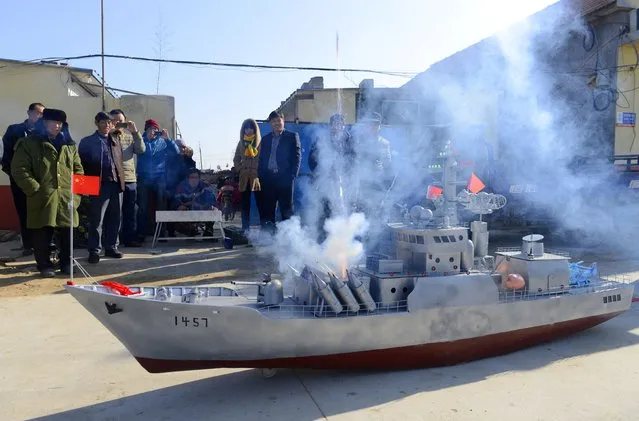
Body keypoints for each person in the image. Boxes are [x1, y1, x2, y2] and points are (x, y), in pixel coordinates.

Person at [10, 108, 83, 277]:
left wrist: (77, 194)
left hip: (67, 197)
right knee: (41, 233)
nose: (57, 126)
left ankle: (66, 263)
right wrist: (35, 189)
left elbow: (78, 170)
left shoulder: (69, 145)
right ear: (44, 123)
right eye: (54, 123)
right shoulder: (29, 143)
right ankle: (44, 265)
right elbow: (19, 169)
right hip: (42, 197)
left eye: (60, 123)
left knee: (68, 233)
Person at [78, 112, 126, 264]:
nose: (107, 125)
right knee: (96, 219)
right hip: (98, 184)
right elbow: (81, 165)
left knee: (115, 218)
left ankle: (111, 247)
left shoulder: (115, 139)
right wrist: (83, 187)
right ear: (96, 123)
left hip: (116, 184)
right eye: (103, 122)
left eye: (109, 123)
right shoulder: (87, 141)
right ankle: (94, 250)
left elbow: (119, 162)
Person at [2, 102, 45, 255]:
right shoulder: (15, 130)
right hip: (20, 181)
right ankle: (28, 245)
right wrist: (15, 176)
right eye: (37, 113)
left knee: (41, 212)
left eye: (42, 114)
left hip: (41, 181)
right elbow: (6, 157)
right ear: (29, 113)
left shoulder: (44, 133)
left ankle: (43, 244)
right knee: (24, 212)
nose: (40, 116)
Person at [308, 113, 355, 242]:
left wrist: (346, 174)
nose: (338, 126)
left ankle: (343, 241)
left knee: (343, 211)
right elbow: (312, 159)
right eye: (335, 123)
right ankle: (323, 241)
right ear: (330, 125)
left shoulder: (350, 140)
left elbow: (354, 160)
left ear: (344, 125)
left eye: (340, 123)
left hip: (344, 183)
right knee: (324, 211)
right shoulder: (321, 139)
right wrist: (321, 172)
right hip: (325, 182)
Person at [135, 119, 179, 241]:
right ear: (145, 130)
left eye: (155, 129)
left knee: (161, 205)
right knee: (142, 207)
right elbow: (140, 150)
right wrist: (147, 140)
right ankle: (141, 233)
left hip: (159, 177)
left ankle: (160, 232)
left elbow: (176, 152)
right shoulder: (140, 140)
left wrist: (169, 140)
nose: (153, 131)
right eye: (150, 129)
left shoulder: (163, 141)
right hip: (144, 177)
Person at [257, 111, 301, 231]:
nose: (276, 123)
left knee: (286, 209)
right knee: (268, 208)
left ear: (283, 121)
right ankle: (270, 237)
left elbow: (297, 156)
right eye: (273, 121)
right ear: (270, 123)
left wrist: (292, 175)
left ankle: (289, 237)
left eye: (278, 120)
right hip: (268, 178)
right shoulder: (265, 139)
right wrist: (261, 175)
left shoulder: (292, 136)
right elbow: (261, 159)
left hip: (285, 178)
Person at [109, 109, 145, 247]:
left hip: (130, 178)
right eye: (115, 121)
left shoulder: (130, 135)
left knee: (130, 211)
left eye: (121, 121)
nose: (118, 123)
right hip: (114, 178)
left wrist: (135, 132)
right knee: (115, 212)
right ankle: (112, 242)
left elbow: (141, 150)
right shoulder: (107, 135)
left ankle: (129, 239)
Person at [233, 119, 262, 232]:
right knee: (245, 204)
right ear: (243, 130)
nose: (248, 130)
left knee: (261, 202)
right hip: (244, 177)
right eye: (246, 128)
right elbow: (236, 159)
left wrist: (259, 170)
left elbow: (263, 159)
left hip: (257, 177)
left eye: (251, 128)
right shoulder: (241, 143)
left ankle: (264, 228)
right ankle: (245, 228)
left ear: (255, 129)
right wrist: (240, 169)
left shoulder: (259, 142)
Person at [171, 168, 217, 237]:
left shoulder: (204, 186)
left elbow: (212, 200)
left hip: (201, 211)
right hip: (186, 213)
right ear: (187, 178)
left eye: (196, 178)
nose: (194, 180)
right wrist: (184, 205)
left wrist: (204, 205)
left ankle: (208, 230)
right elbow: (176, 202)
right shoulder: (181, 187)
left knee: (213, 209)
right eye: (192, 177)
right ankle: (189, 229)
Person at [165, 138, 197, 237]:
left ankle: (190, 228)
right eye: (180, 147)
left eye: (183, 147)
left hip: (186, 189)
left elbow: (193, 172)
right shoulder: (170, 159)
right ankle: (171, 230)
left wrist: (189, 158)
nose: (182, 149)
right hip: (173, 189)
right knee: (171, 206)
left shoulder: (188, 160)